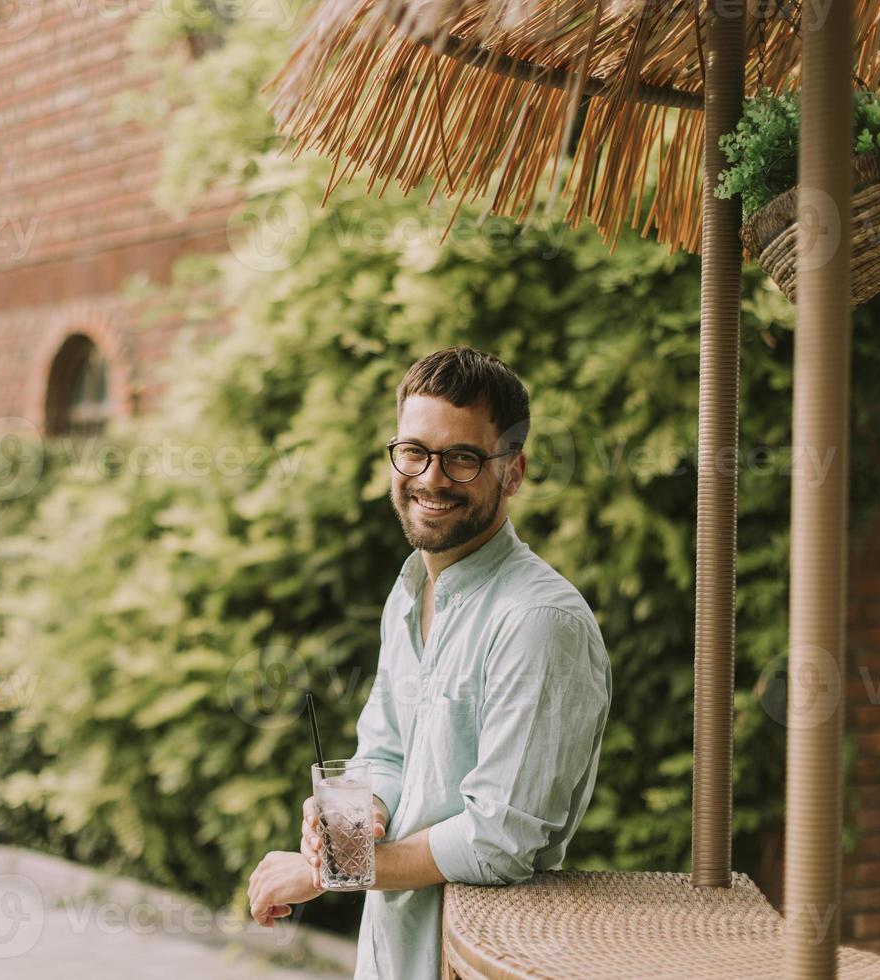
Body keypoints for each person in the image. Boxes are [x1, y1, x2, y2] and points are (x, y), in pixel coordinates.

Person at [246, 346, 612, 979]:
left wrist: (331, 868)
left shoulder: (538, 623)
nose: (431, 478)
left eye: (463, 458)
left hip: (473, 962)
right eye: (414, 451)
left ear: (514, 471)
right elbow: (383, 756)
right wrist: (353, 824)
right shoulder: (412, 588)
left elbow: (500, 841)